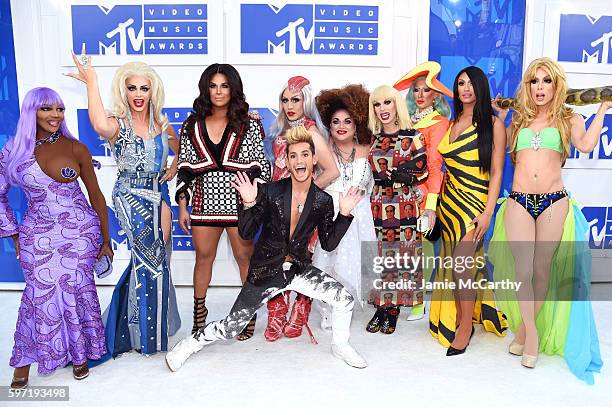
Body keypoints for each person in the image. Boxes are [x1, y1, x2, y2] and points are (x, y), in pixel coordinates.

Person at [165, 127, 367, 370]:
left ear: (314, 160)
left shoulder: (323, 201)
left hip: (299, 270)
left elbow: (329, 243)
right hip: (265, 272)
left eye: (305, 154)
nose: (299, 160)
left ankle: (341, 344)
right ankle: (190, 344)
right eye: (293, 156)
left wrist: (344, 213)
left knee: (343, 299)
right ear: (287, 161)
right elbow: (246, 233)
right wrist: (249, 203)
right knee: (231, 328)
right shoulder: (271, 192)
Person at [489, 57, 606, 383]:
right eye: (534, 82)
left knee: (542, 270)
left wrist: (601, 111)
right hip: (518, 202)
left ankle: (526, 330)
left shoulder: (568, 117)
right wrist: (500, 119)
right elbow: (505, 155)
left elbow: (586, 144)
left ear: (556, 85)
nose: (540, 88)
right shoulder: (518, 119)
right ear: (527, 87)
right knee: (523, 270)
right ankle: (534, 337)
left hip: (555, 202)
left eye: (546, 81)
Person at [68, 54, 181, 359]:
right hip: (130, 197)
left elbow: (178, 146)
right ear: (124, 91)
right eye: (132, 88)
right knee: (148, 262)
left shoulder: (162, 123)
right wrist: (92, 82)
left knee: (158, 263)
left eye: (144, 88)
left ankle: (141, 329)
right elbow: (97, 123)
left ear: (152, 91)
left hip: (160, 194)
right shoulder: (117, 124)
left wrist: (174, 166)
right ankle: (146, 338)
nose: (138, 95)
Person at [0, 87, 113, 388]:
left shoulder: (75, 148)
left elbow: (96, 196)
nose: (55, 115)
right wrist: (11, 232)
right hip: (36, 233)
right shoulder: (12, 151)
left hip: (79, 232)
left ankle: (80, 355)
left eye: (59, 109)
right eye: (46, 109)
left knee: (75, 291)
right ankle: (23, 362)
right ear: (31, 112)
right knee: (38, 295)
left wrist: (105, 240)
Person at [175, 63, 271, 340]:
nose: (218, 91)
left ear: (233, 88)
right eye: (213, 85)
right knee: (203, 258)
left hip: (239, 202)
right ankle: (199, 318)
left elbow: (260, 165)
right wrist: (183, 204)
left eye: (224, 85)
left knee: (244, 258)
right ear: (206, 88)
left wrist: (253, 199)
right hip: (203, 203)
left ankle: (246, 314)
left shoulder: (250, 123)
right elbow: (185, 166)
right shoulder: (191, 124)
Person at [429, 66, 508, 356]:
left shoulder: (492, 124)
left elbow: (497, 173)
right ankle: (465, 316)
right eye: (460, 83)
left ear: (480, 87)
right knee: (456, 266)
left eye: (471, 83)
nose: (465, 88)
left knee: (462, 262)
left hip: (475, 204)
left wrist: (488, 214)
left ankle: (464, 326)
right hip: (449, 204)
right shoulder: (451, 122)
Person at [262, 76, 339, 342]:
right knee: (275, 259)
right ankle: (276, 311)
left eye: (296, 99)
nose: (290, 105)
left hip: (303, 208)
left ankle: (300, 310)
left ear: (305, 101)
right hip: (278, 206)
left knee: (302, 260)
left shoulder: (311, 131)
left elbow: (331, 171)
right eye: (285, 100)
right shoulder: (278, 130)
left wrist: (304, 195)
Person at [312, 84, 376, 330]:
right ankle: (327, 309)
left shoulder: (367, 149)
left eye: (347, 121)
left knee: (354, 265)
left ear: (356, 124)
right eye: (336, 121)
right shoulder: (323, 150)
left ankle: (345, 308)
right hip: (332, 214)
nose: (341, 126)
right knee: (328, 264)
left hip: (360, 216)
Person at [394, 61, 453, 320]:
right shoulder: (404, 121)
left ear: (436, 95)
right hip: (400, 193)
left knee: (423, 245)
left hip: (424, 193)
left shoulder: (439, 123)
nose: (420, 95)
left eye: (426, 90)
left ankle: (419, 302)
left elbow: (435, 165)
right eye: (416, 90)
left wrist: (430, 204)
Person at [367, 85, 428, 334]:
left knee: (401, 255)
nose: (382, 109)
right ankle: (382, 305)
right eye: (377, 104)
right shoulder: (373, 138)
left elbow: (423, 169)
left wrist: (404, 174)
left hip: (403, 202)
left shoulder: (413, 136)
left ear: (396, 105)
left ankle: (393, 309)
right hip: (379, 202)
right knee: (382, 256)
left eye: (387, 102)